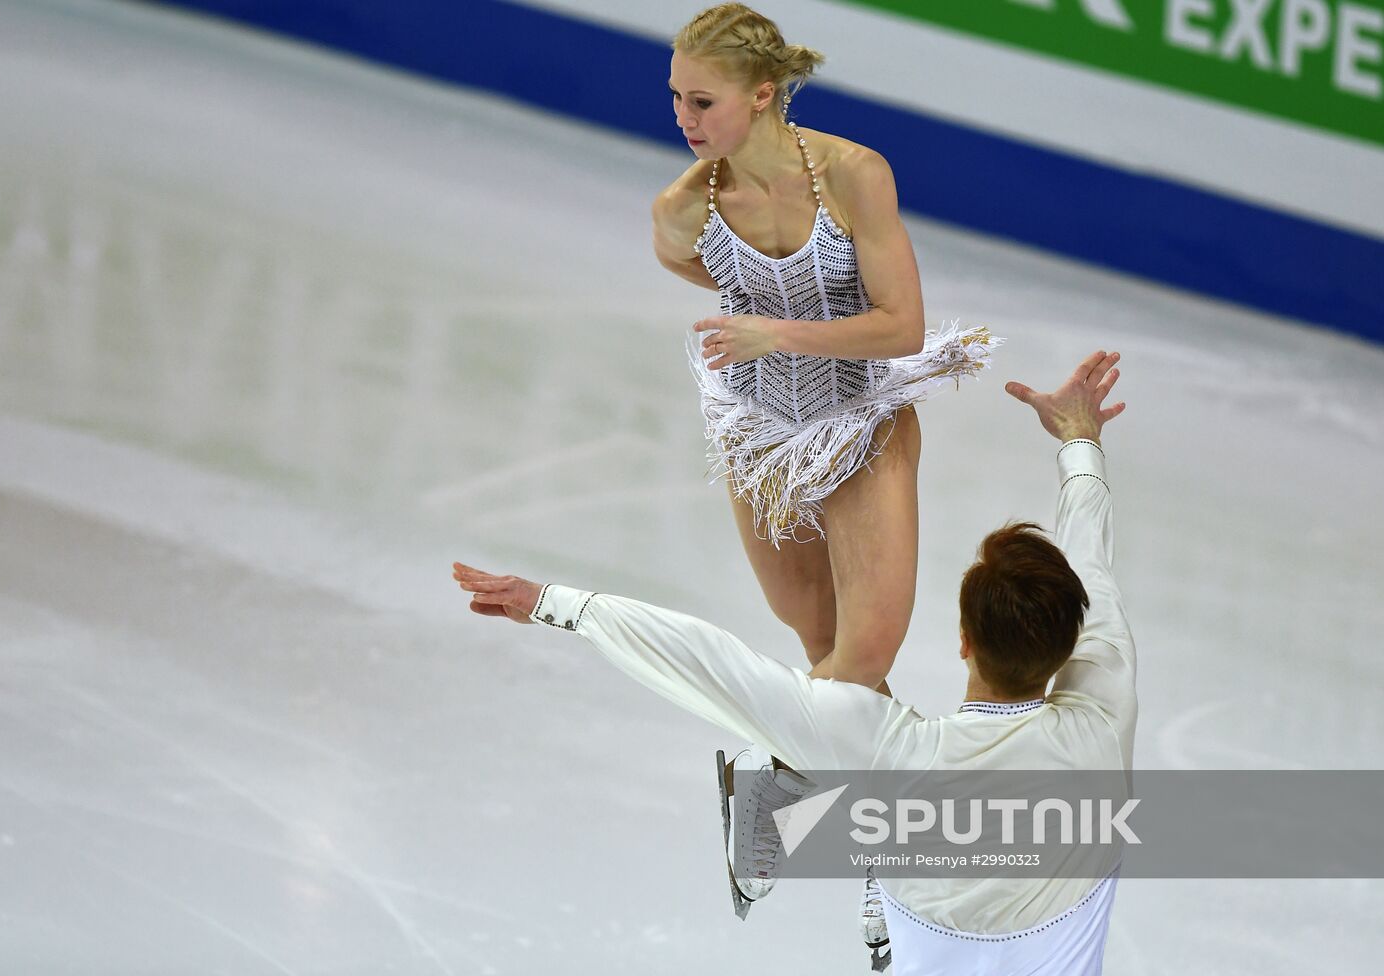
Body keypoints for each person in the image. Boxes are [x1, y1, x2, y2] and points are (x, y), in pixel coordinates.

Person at [454, 351, 1134, 974]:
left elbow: (712, 667)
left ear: (963, 639)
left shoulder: (895, 757)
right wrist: (1079, 441)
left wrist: (556, 604)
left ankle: (806, 800)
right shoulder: (1101, 727)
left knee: (836, 677)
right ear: (1073, 646)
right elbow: (1090, 564)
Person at [652, 3, 1000, 932]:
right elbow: (691, 264)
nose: (685, 117)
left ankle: (770, 784)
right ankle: (899, 880)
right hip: (761, 434)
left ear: (765, 95)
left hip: (862, 419)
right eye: (677, 96)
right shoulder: (685, 207)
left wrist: (777, 328)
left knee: (864, 656)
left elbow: (904, 325)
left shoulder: (854, 177)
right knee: (827, 660)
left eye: (705, 99)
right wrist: (760, 329)